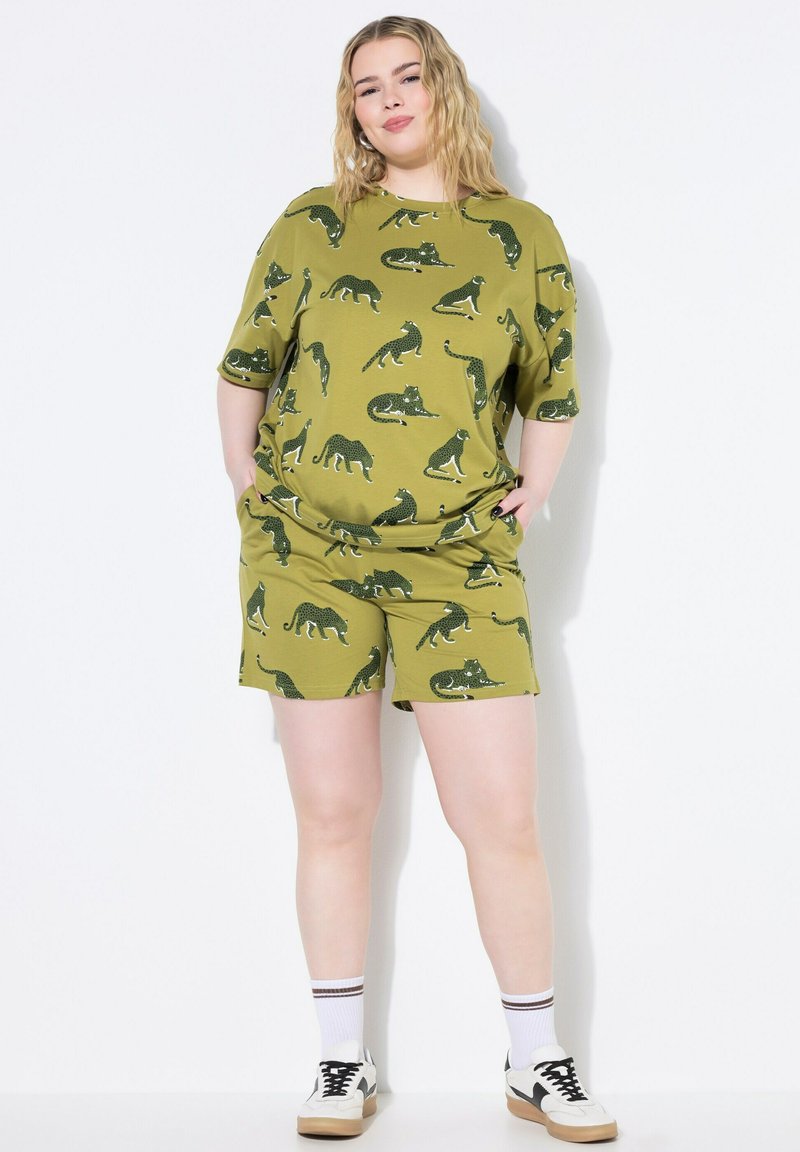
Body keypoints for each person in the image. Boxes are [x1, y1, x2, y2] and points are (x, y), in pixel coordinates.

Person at [215, 14, 617, 1144]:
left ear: (444, 87)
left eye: (406, 77)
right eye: (365, 87)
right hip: (310, 557)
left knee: (502, 818)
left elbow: (551, 386)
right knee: (335, 811)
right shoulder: (313, 225)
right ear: (350, 112)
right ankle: (340, 1061)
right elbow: (245, 365)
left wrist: (534, 489)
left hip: (458, 562)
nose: (388, 99)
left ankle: (538, 1061)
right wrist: (250, 487)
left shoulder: (519, 237)